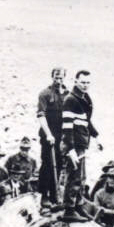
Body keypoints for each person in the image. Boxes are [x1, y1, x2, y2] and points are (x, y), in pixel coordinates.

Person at [61, 69, 99, 221]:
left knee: (82, 177)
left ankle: (78, 205)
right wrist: (70, 149)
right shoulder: (71, 100)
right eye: (82, 82)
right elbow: (67, 126)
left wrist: (95, 136)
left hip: (82, 143)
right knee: (74, 177)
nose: (85, 85)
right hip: (73, 143)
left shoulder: (85, 98)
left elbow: (86, 121)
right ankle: (69, 210)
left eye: (88, 82)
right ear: (75, 81)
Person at [36, 67, 70, 209]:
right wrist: (48, 134)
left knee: (60, 165)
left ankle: (55, 195)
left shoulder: (68, 95)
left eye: (61, 77)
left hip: (63, 135)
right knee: (48, 164)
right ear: (52, 77)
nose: (58, 80)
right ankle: (44, 195)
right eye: (56, 77)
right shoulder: (45, 94)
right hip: (49, 134)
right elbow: (41, 115)